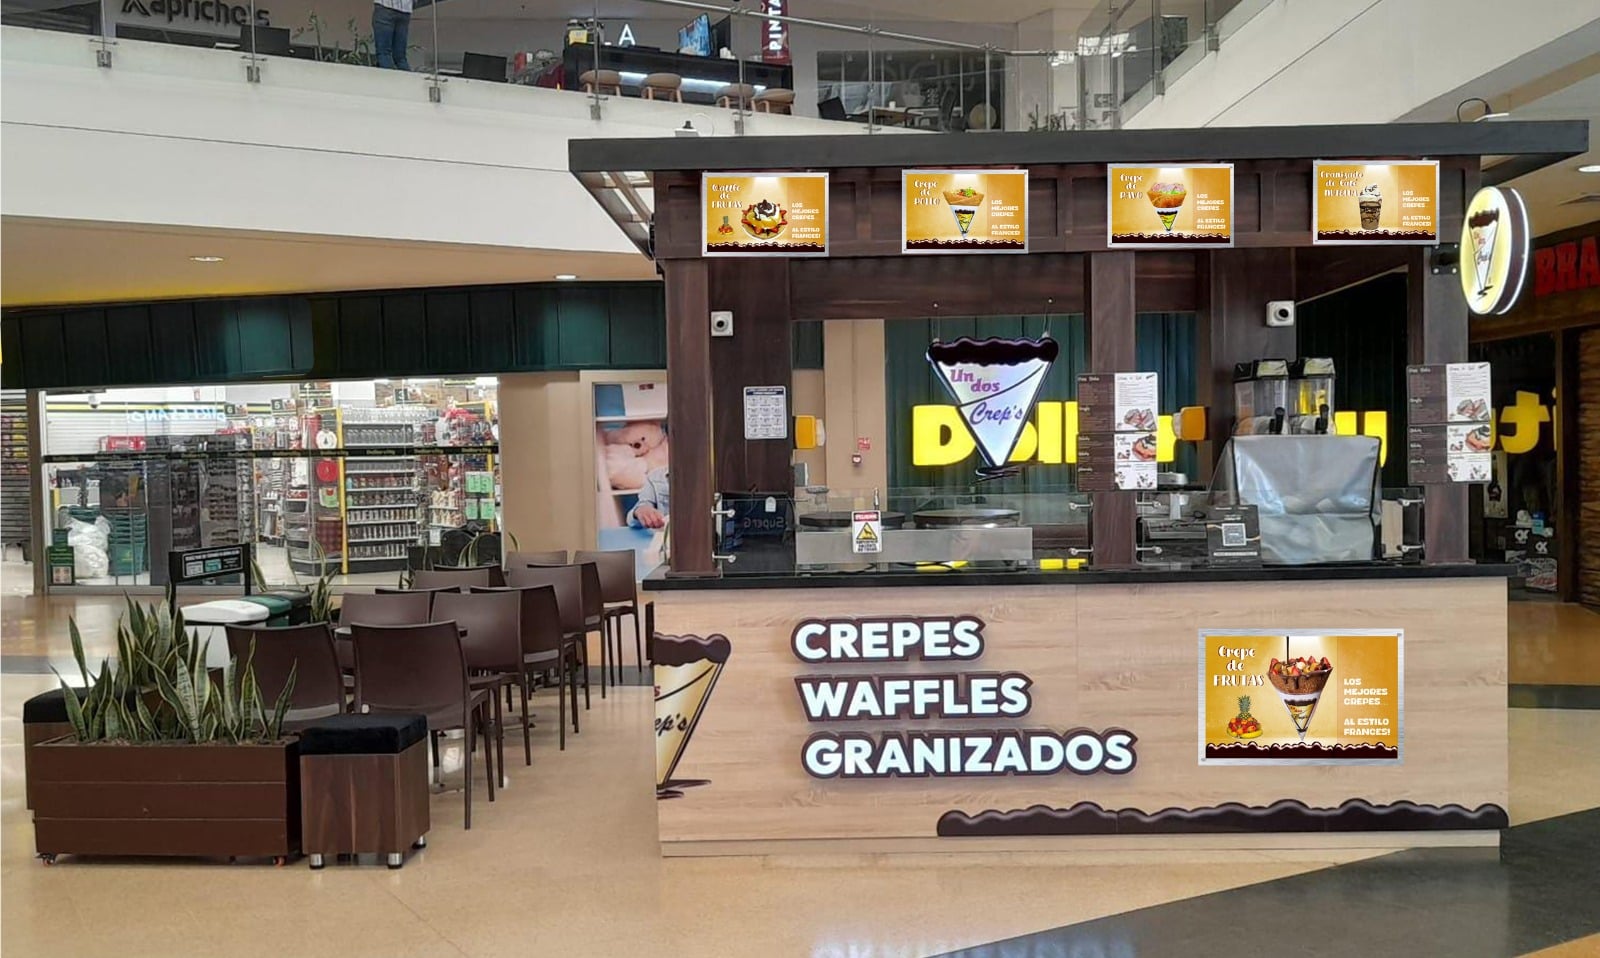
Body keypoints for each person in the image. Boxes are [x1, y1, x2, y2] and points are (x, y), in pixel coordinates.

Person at [371, 0, 412, 71]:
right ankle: (408, 80)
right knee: (400, 58)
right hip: (405, 9)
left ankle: (389, 80)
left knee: (384, 53)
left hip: (385, 6)